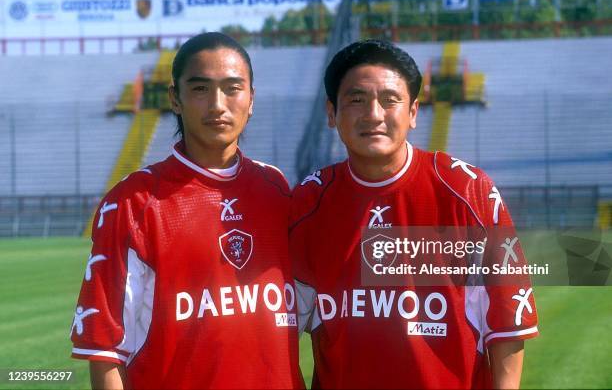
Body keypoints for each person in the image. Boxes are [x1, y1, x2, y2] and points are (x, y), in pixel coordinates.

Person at [291, 39, 538, 389]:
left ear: (413, 112)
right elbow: (280, 328)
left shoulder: (467, 191)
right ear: (332, 113)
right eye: (356, 100)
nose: (374, 114)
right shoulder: (310, 203)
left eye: (390, 100)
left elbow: (508, 320)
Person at [71, 32, 303, 389]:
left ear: (251, 99)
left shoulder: (276, 189)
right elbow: (105, 351)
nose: (217, 104)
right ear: (175, 99)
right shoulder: (134, 201)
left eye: (232, 88)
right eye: (200, 89)